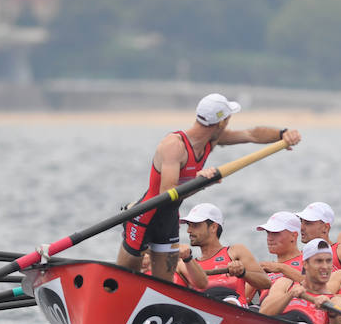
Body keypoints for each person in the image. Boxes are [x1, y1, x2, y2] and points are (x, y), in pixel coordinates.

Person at [117, 92, 302, 281]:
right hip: (144, 217)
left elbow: (251, 134)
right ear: (221, 122)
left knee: (163, 284)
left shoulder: (211, 140)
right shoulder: (174, 146)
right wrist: (200, 183)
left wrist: (282, 135)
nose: (229, 123)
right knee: (123, 278)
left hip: (170, 220)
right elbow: (167, 194)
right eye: (228, 118)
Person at [172, 202, 270, 305]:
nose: (188, 230)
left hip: (233, 308)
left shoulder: (235, 252)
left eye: (195, 225)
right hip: (202, 309)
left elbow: (266, 283)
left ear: (213, 227)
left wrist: (243, 273)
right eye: (189, 225)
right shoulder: (187, 265)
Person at [257, 238, 335, 324]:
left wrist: (332, 312)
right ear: (305, 264)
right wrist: (290, 295)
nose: (325, 266)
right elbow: (263, 313)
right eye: (319, 261)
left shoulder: (334, 300)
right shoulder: (285, 284)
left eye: (328, 261)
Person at [255, 211, 305, 287]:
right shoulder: (265, 269)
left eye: (275, 233)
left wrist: (281, 268)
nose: (269, 238)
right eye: (268, 232)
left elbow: (317, 287)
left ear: (293, 236)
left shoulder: (310, 261)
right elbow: (243, 297)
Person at [296, 201, 341, 270]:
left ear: (325, 227)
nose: (301, 228)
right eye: (301, 221)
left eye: (308, 223)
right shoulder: (299, 256)